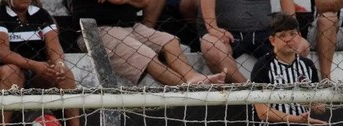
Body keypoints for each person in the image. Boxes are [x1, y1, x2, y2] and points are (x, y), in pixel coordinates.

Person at [0, 0, 88, 126]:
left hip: (34, 72)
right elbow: (2, 53)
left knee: (65, 73)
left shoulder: (41, 15)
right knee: (12, 70)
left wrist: (58, 63)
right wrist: (35, 65)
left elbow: (54, 48)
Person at [251, 13, 343, 126]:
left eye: (292, 34)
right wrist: (298, 119)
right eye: (282, 35)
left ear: (299, 36)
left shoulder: (307, 66)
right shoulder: (263, 66)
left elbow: (319, 108)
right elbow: (263, 113)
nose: (289, 39)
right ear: (272, 40)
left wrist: (315, 101)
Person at [69, 0, 226, 86]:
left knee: (170, 41)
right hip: (97, 30)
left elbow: (144, 2)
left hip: (130, 26)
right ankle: (188, 87)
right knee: (145, 55)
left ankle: (192, 76)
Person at [198, 0, 310, 84]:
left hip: (264, 31)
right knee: (212, 47)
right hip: (227, 32)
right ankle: (248, 89)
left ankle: (279, 87)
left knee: (302, 45)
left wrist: (292, 29)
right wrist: (212, 27)